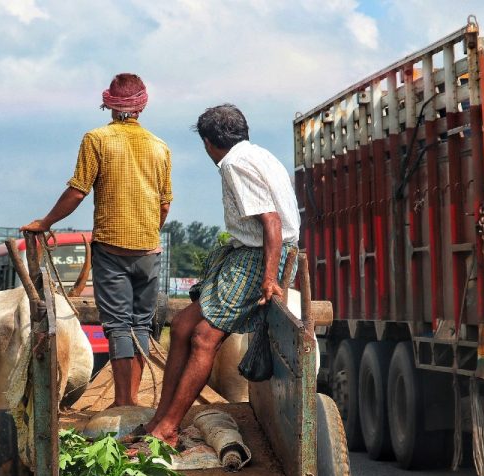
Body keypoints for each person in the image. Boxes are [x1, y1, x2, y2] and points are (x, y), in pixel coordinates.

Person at [132, 103, 300, 448]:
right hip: (250, 251)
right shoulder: (259, 155)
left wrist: (270, 279)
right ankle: (159, 420)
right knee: (180, 326)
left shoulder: (234, 164)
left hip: (259, 256)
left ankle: (168, 428)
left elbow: (271, 222)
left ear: (209, 142)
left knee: (204, 338)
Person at [21, 73, 173, 407]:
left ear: (108, 104)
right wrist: (148, 231)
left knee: (119, 326)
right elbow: (164, 204)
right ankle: (134, 401)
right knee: (141, 326)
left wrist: (45, 222)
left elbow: (77, 192)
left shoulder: (96, 139)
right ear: (142, 106)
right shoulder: (160, 147)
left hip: (111, 249)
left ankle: (124, 403)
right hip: (150, 250)